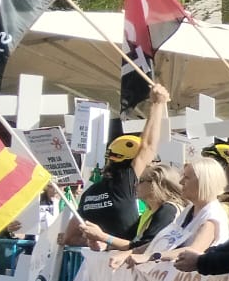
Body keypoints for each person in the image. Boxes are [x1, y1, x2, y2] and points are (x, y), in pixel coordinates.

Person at [68, 82, 169, 247]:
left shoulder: (90, 192)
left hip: (97, 266)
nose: (151, 165)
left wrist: (100, 242)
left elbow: (68, 238)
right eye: (150, 162)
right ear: (133, 160)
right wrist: (157, 104)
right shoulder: (125, 182)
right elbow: (148, 146)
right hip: (125, 262)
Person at [123, 157, 229, 265]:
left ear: (203, 181)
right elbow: (165, 241)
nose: (181, 181)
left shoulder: (212, 215)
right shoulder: (189, 210)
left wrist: (149, 257)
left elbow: (194, 250)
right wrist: (133, 252)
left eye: (187, 178)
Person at [83, 161, 183, 256]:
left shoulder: (168, 210)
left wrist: (103, 236)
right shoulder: (149, 212)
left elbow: (145, 247)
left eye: (140, 181)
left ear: (155, 184)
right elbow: (130, 241)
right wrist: (104, 244)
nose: (135, 184)